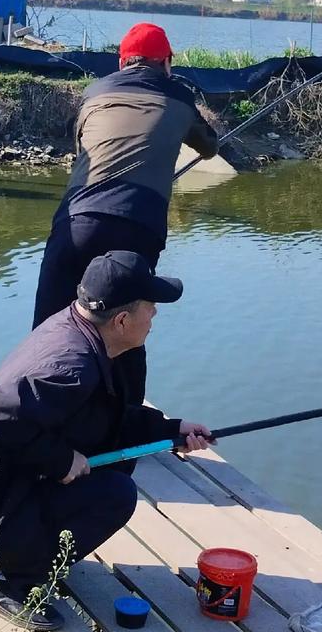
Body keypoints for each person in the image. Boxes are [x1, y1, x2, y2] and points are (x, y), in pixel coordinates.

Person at [0, 251, 212, 631]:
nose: (155, 316)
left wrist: (171, 430)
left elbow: (102, 418)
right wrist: (61, 460)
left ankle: (27, 551)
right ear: (122, 319)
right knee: (116, 494)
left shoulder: (75, 329)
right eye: (150, 307)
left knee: (115, 465)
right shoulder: (71, 365)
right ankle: (10, 584)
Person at [32, 21, 218, 397]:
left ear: (122, 62)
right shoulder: (179, 97)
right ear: (167, 62)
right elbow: (210, 146)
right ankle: (125, 429)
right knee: (127, 331)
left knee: (50, 327)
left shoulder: (93, 93)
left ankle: (34, 415)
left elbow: (81, 145)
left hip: (77, 220)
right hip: (138, 227)